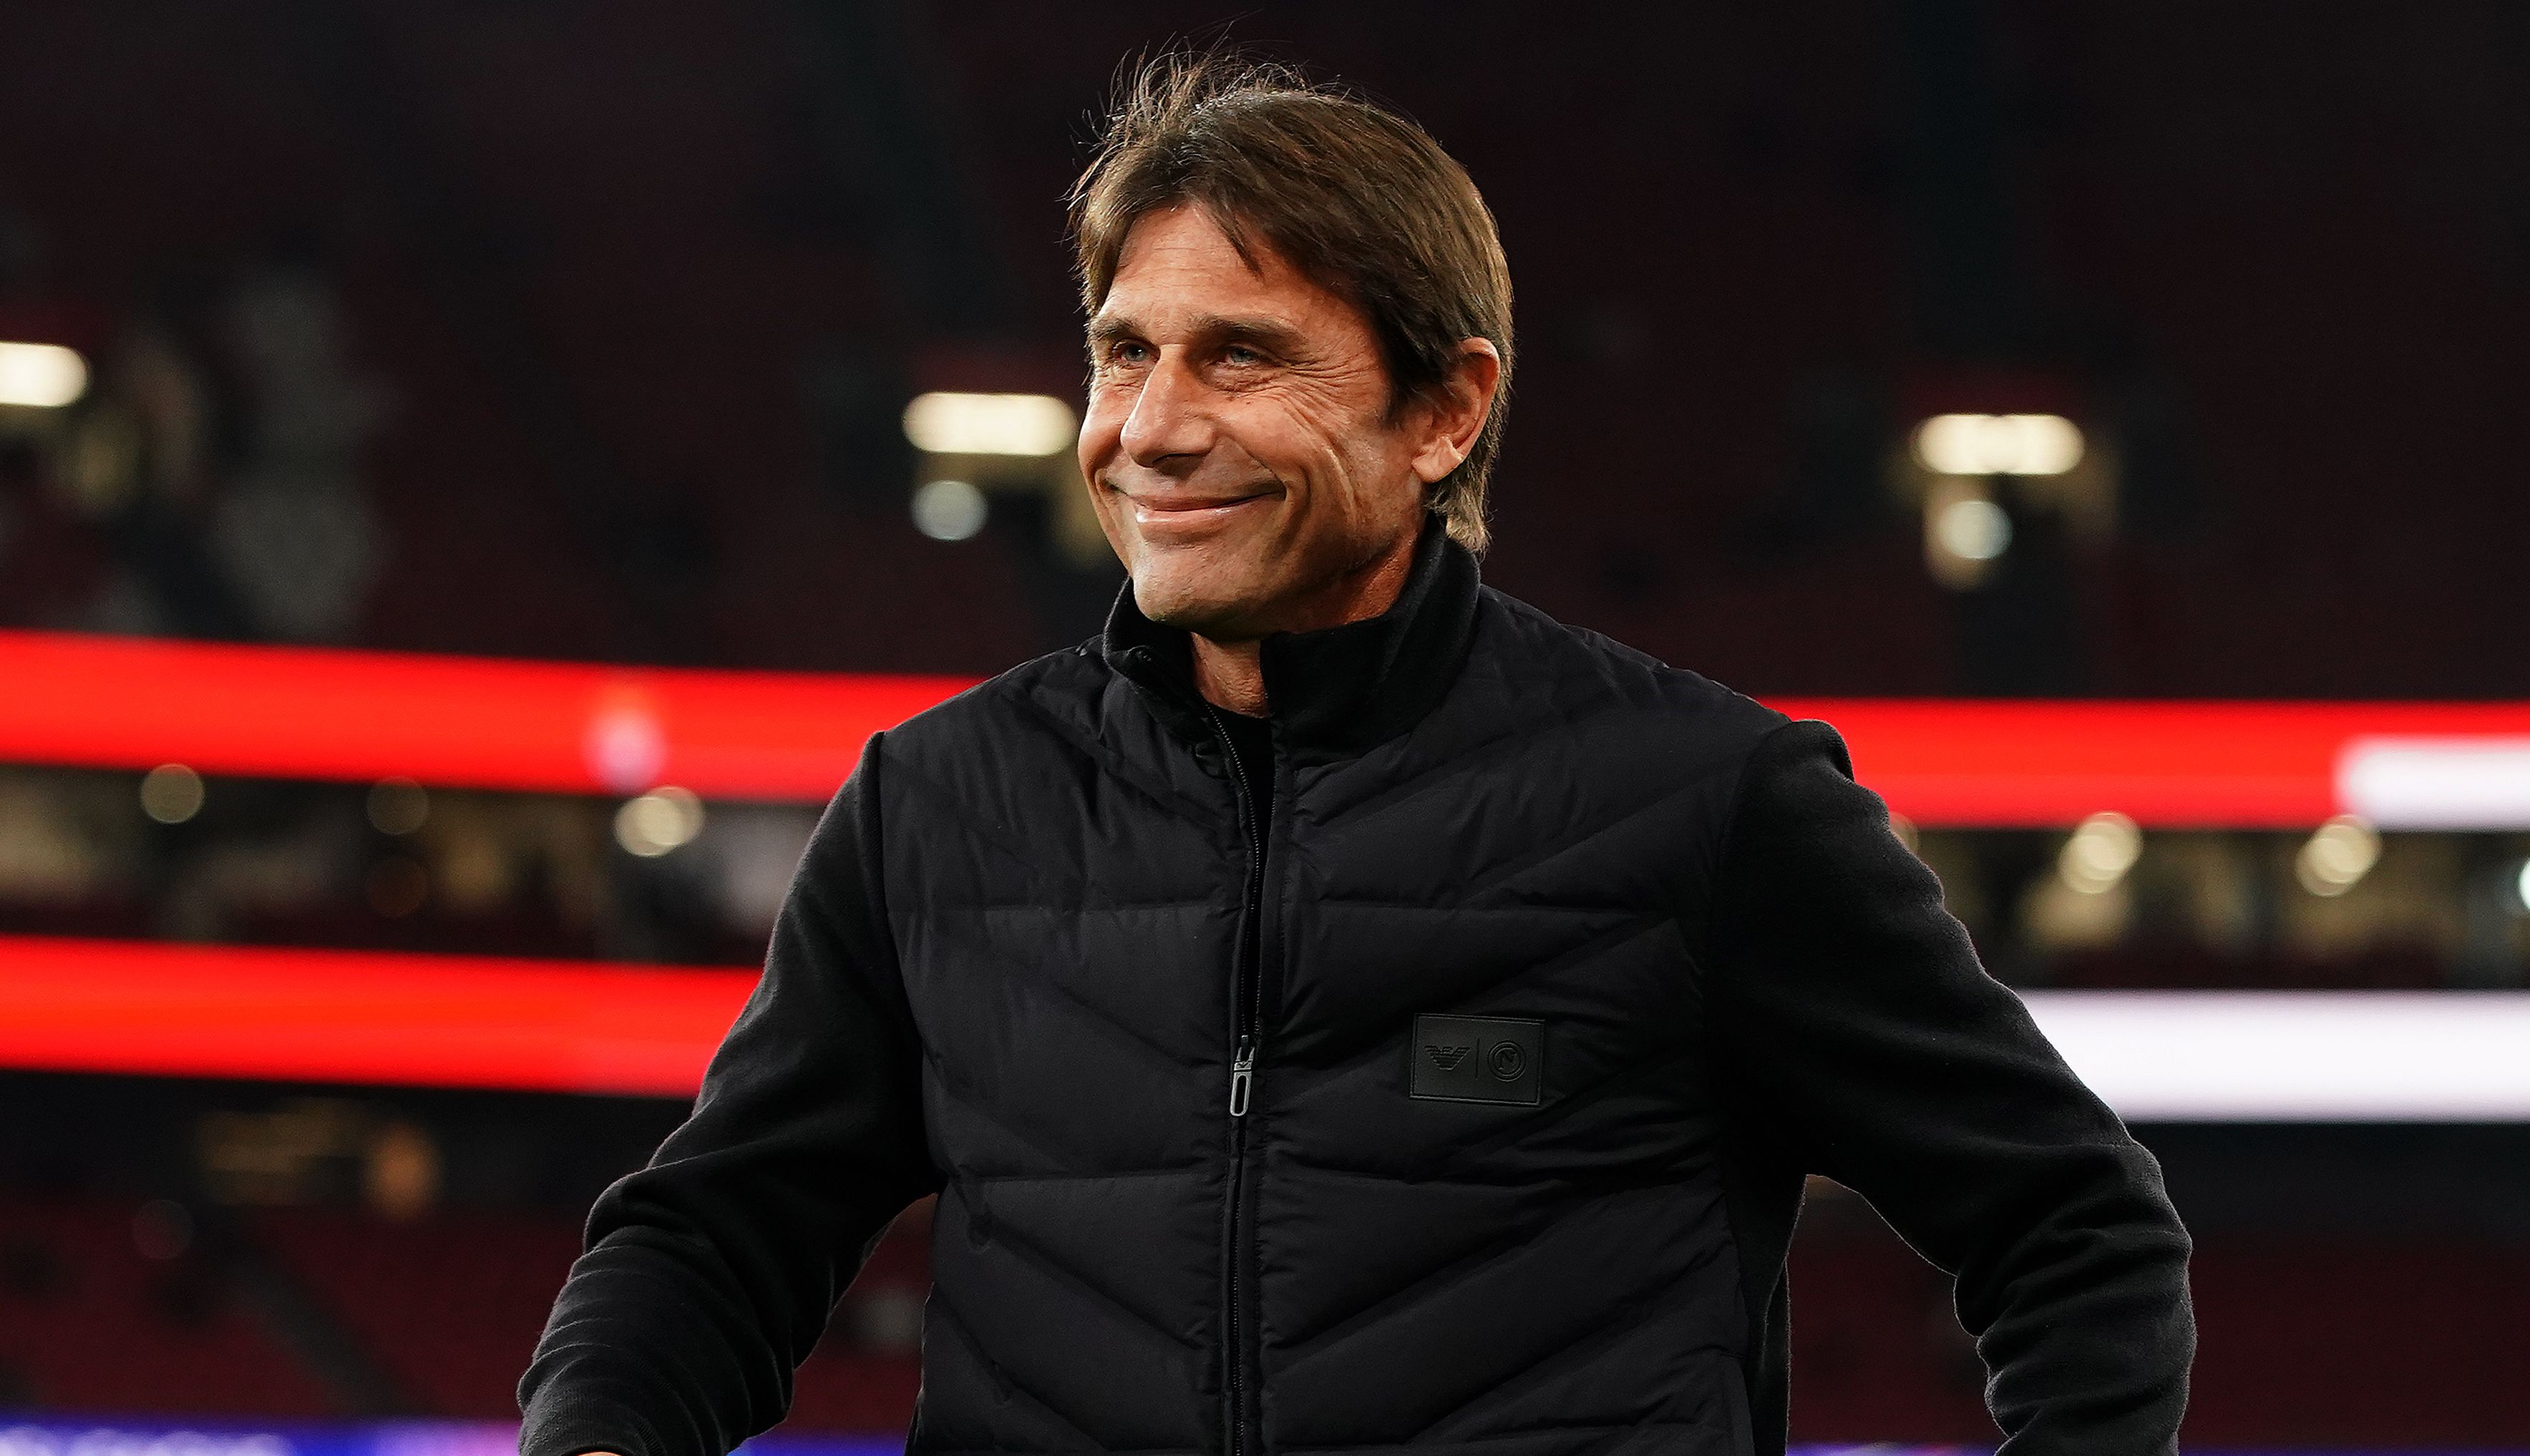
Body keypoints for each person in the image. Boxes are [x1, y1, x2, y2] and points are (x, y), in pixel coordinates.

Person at [519, 56, 2194, 1456]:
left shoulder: (1707, 803)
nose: (1152, 428)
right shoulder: (935, 803)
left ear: (1445, 411)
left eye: (1241, 355)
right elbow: (711, 1239)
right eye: (1124, 352)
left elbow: (2075, 1228)